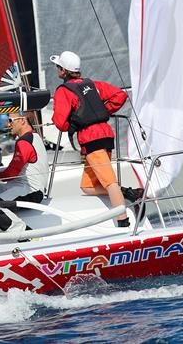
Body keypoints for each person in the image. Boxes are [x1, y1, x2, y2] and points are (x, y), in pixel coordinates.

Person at [50, 50, 143, 227]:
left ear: (63, 71)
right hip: (105, 134)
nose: (57, 70)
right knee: (87, 186)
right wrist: (101, 112)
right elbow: (120, 95)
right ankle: (128, 193)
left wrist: (79, 119)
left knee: (110, 183)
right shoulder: (93, 84)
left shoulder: (63, 91)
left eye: (58, 67)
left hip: (91, 140)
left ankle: (124, 223)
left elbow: (60, 123)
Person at [0, 112, 48, 205]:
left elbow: (12, 173)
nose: (8, 125)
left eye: (10, 121)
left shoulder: (24, 142)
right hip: (28, 188)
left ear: (22, 120)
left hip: (31, 191)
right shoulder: (36, 136)